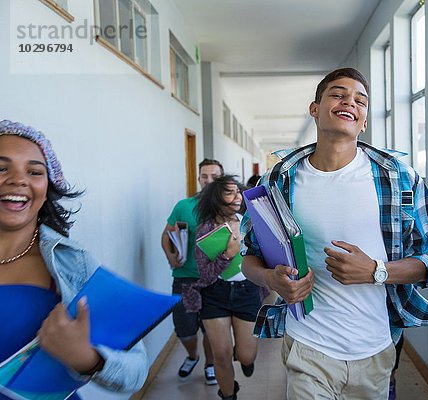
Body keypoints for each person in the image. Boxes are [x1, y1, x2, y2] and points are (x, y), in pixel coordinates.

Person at [240, 67, 428, 399]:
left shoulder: (400, 180)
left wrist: (376, 271)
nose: (350, 102)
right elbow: (249, 257)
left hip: (375, 348)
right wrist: (271, 280)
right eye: (338, 93)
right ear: (315, 108)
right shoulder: (279, 180)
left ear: (363, 121)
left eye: (360, 100)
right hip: (308, 344)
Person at [0, 120, 148, 398]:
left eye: (34, 171)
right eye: (1, 168)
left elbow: (136, 369)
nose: (18, 180)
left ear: (48, 187)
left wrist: (88, 358)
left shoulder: (73, 263)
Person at [185, 175, 265, 400]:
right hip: (215, 294)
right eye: (230, 193)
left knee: (246, 355)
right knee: (221, 354)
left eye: (238, 192)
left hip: (247, 291)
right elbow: (206, 274)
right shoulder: (205, 230)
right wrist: (228, 255)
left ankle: (245, 360)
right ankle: (228, 394)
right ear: (216, 199)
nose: (238, 196)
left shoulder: (251, 221)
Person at [160, 158, 223, 384]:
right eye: (204, 176)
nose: (209, 181)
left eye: (214, 177)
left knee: (210, 329)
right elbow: (165, 235)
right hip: (185, 277)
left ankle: (210, 364)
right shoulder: (183, 206)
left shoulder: (227, 206)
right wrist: (170, 256)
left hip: (215, 279)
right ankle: (192, 356)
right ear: (198, 179)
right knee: (184, 329)